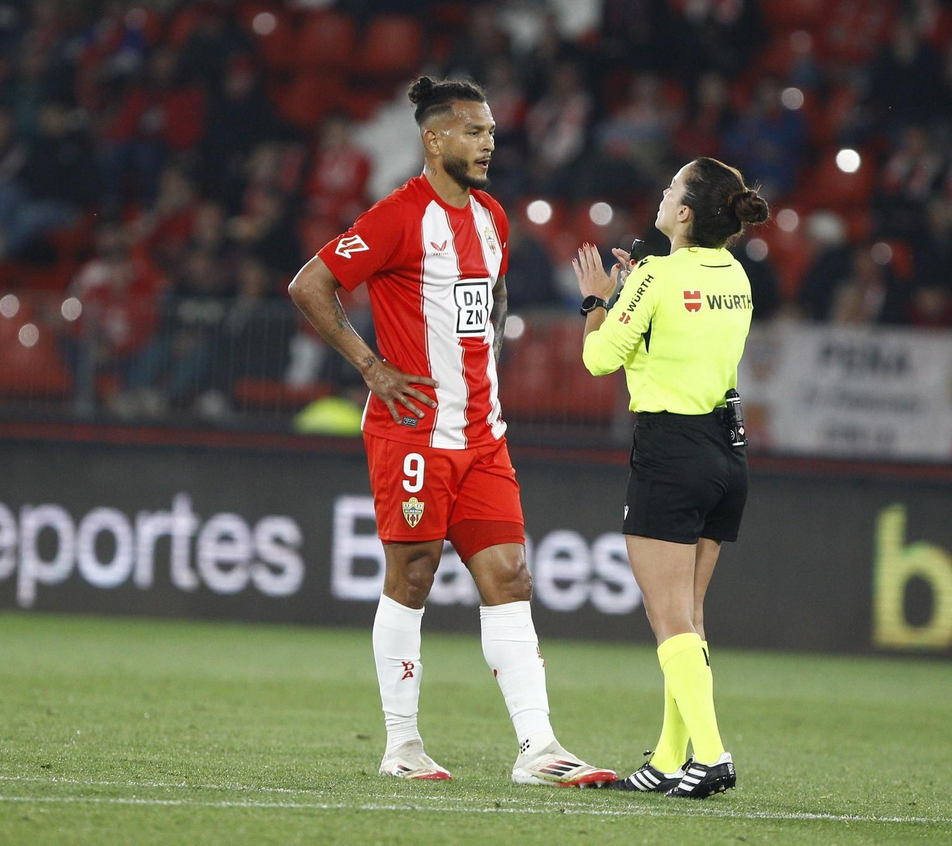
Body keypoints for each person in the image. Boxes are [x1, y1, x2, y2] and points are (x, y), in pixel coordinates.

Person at [287, 76, 614, 788]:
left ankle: (540, 749)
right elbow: (310, 283)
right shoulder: (398, 216)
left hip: (483, 436)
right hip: (412, 433)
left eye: (492, 131)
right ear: (434, 139)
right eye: (474, 130)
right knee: (414, 574)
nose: (489, 141)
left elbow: (490, 297)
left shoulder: (493, 217)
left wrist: (485, 358)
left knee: (511, 575)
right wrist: (371, 366)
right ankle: (401, 746)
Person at [571, 155, 768, 799]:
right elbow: (682, 326)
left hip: (671, 451)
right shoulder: (734, 274)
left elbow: (600, 359)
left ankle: (710, 756)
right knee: (689, 619)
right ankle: (668, 757)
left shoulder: (656, 274)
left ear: (684, 212)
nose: (661, 195)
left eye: (670, 189)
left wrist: (599, 300)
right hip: (726, 454)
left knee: (669, 621)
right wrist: (635, 294)